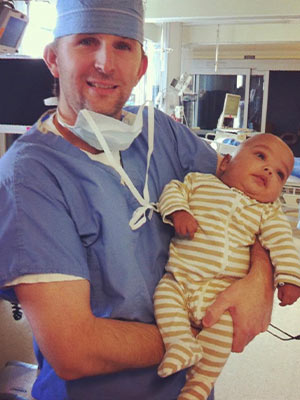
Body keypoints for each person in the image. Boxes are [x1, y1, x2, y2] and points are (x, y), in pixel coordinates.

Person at [0, 1, 274, 399]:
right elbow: (76, 349)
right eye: (87, 41)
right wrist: (206, 329)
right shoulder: (29, 175)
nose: (105, 63)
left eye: (123, 46)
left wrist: (260, 279)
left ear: (142, 66)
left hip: (192, 386)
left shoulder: (159, 132)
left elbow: (249, 192)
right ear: (53, 59)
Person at [154, 133, 300, 400]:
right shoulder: (198, 182)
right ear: (225, 164)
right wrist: (179, 211)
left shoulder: (267, 212)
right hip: (179, 278)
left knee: (221, 332)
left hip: (223, 291)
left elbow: (282, 242)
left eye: (280, 173)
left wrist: (289, 277)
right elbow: (173, 190)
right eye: (260, 156)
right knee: (164, 300)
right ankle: (180, 345)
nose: (269, 169)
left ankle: (198, 386)